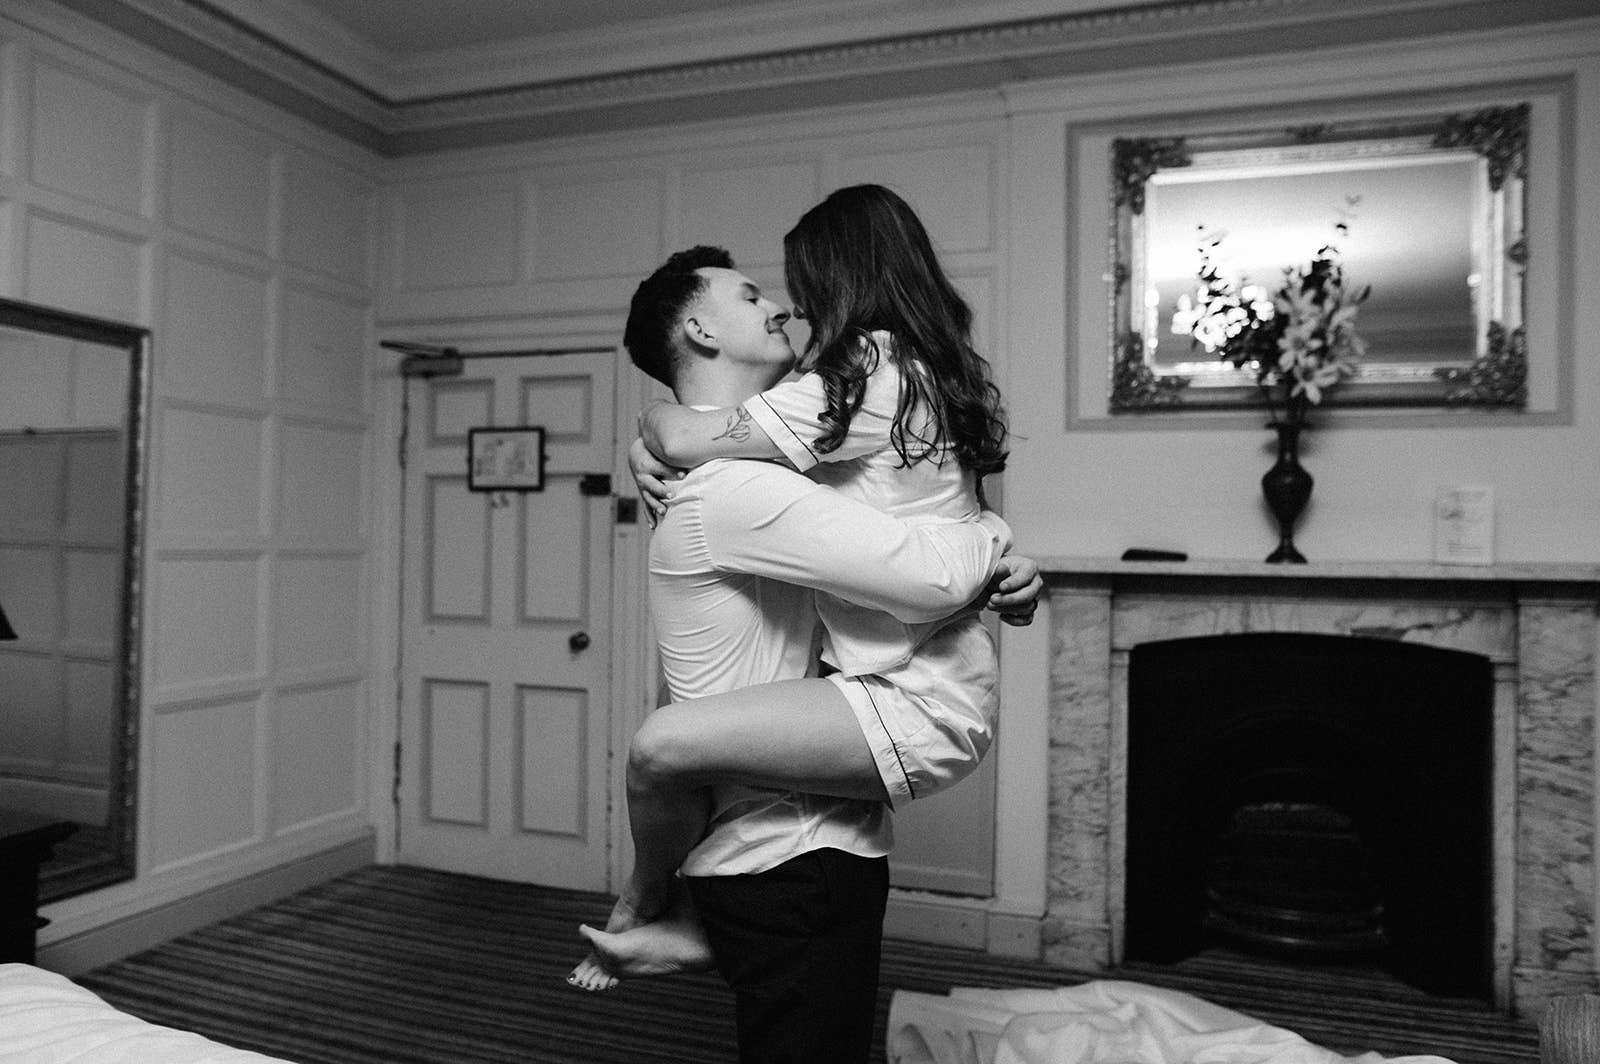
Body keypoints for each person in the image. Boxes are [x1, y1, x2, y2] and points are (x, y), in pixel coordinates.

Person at [566, 245, 1038, 1063]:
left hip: (781, 843)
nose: (778, 306)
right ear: (699, 328)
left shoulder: (751, 476)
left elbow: (865, 494)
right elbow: (927, 577)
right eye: (749, 296)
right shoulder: (744, 492)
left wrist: (655, 430)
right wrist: (997, 540)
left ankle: (694, 930)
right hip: (792, 855)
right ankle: (669, 913)